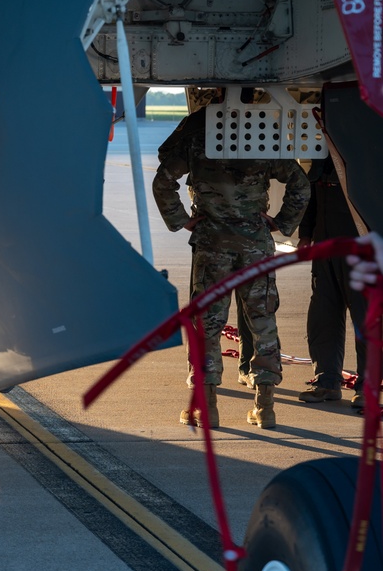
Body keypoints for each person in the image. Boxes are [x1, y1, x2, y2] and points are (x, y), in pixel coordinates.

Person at [153, 92, 310, 429]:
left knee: (207, 324)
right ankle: (265, 408)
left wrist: (181, 220)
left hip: (212, 245)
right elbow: (300, 184)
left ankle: (206, 408)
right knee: (263, 320)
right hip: (256, 243)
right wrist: (282, 224)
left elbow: (164, 178)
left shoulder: (197, 134)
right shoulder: (261, 134)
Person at [296, 158, 368, 409]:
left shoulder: (366, 147)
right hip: (325, 250)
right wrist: (305, 233)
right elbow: (311, 197)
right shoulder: (324, 154)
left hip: (362, 253)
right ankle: (326, 381)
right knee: (323, 317)